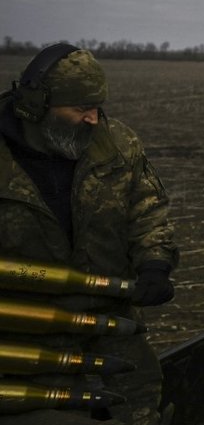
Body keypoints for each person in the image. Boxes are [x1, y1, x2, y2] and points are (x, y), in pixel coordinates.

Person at [0, 44, 179, 424]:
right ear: (36, 106)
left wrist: (155, 264)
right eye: (81, 109)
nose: (94, 119)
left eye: (97, 107)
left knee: (141, 406)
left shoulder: (117, 144)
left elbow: (147, 209)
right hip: (23, 331)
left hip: (110, 318)